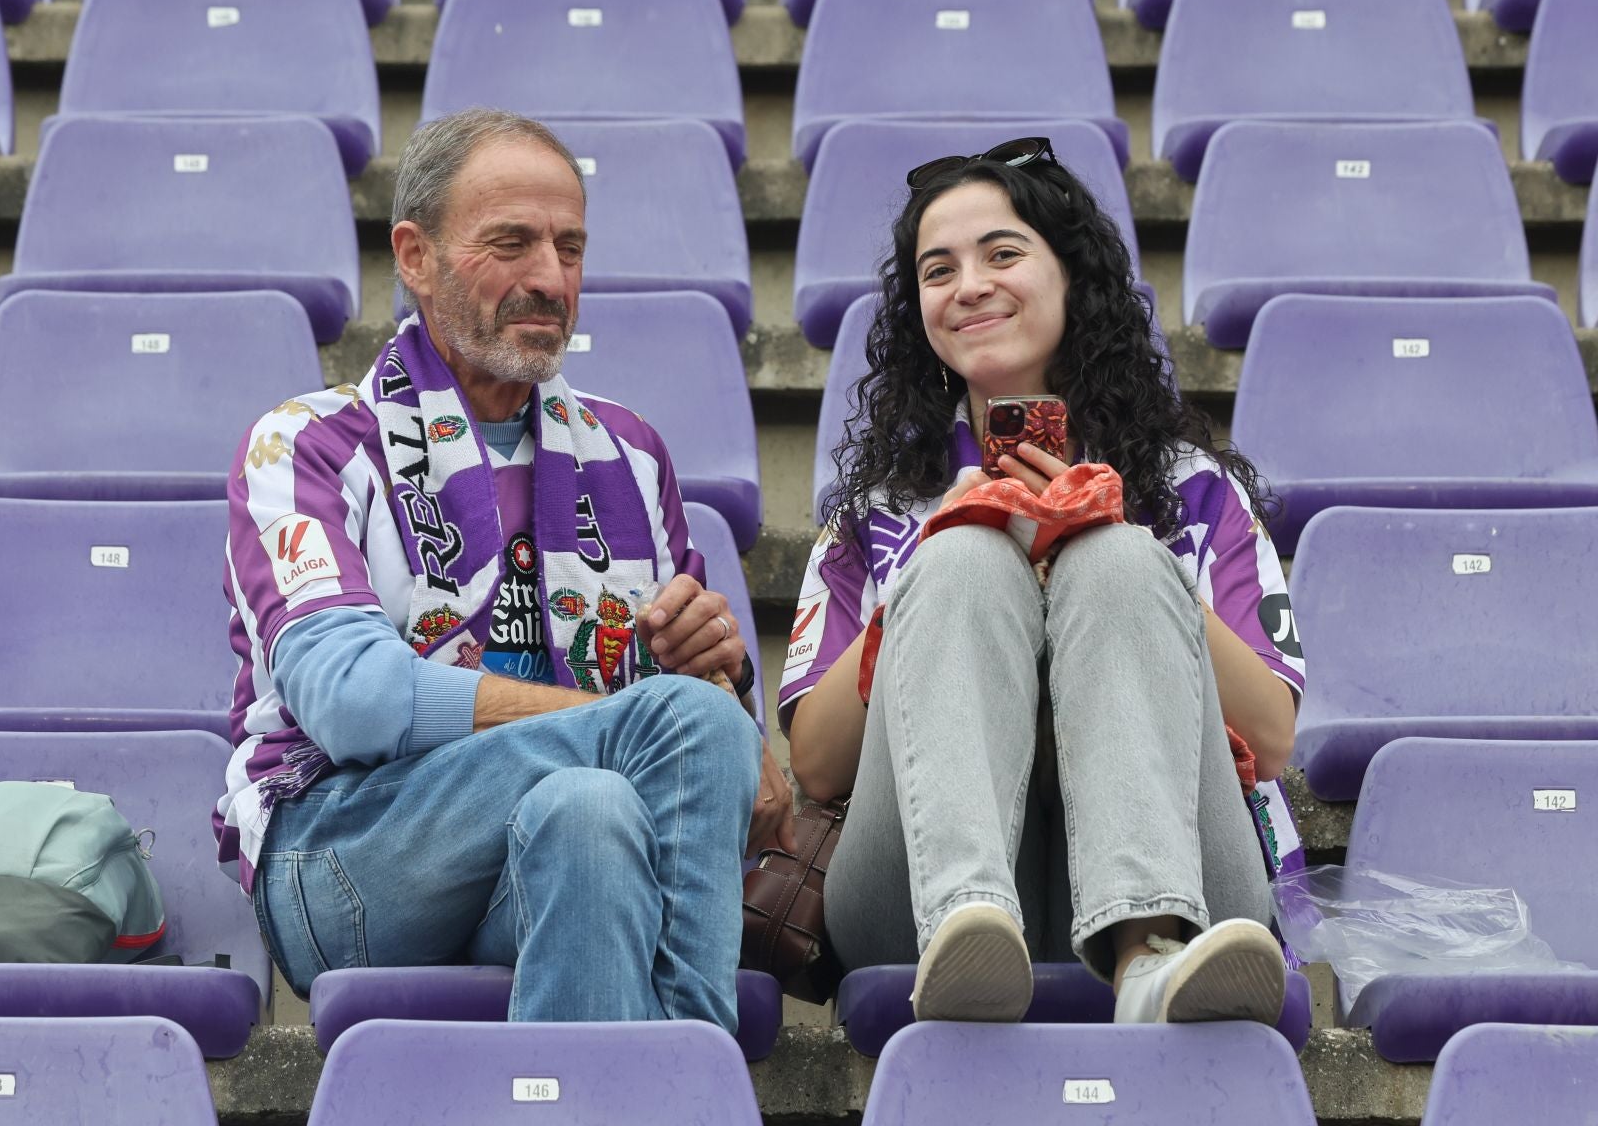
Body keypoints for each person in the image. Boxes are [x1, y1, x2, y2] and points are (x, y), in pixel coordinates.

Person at [215, 108, 789, 1029]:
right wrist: (658, 719)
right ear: (416, 255)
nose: (549, 279)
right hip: (343, 851)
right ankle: (692, 1077)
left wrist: (715, 673)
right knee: (672, 736)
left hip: (552, 849)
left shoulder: (630, 454)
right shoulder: (308, 442)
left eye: (570, 248)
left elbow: (721, 767)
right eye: (511, 243)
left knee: (591, 815)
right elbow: (354, 701)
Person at [781, 139, 1307, 1027]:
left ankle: (1148, 952)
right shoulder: (876, 513)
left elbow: (1272, 737)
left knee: (1115, 557)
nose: (970, 285)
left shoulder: (1192, 489)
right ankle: (967, 921)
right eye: (937, 270)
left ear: (1073, 279)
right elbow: (819, 764)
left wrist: (1108, 537)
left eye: (1003, 253)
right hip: (907, 907)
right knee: (962, 556)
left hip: (1193, 883)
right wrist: (925, 570)